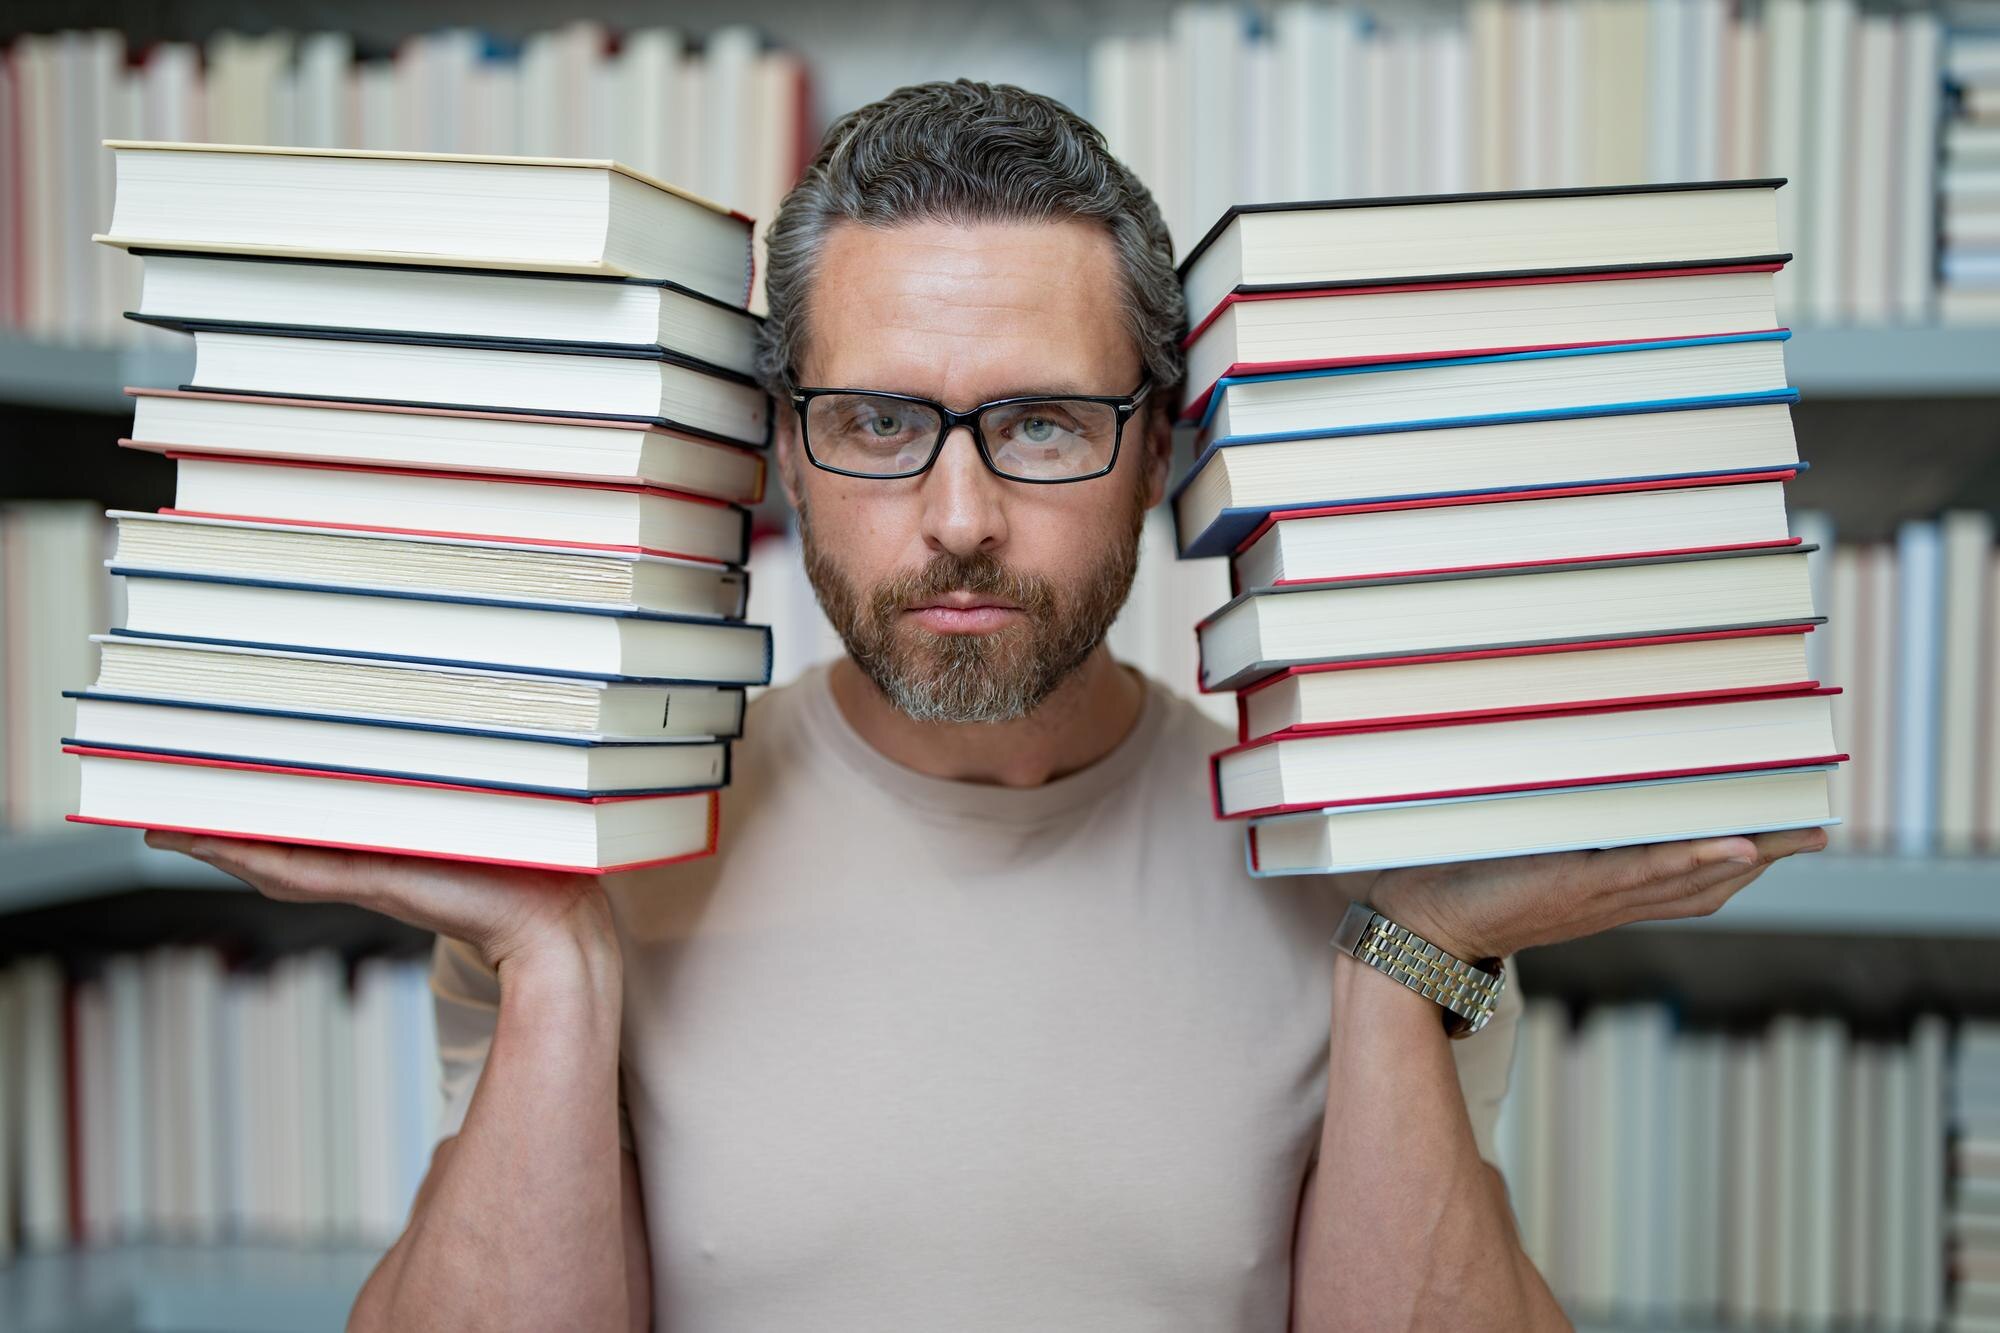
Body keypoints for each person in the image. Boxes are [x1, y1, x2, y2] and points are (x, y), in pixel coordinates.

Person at [146, 79, 1827, 1332]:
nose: (958, 515)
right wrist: (559, 962)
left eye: (1039, 421)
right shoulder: (596, 843)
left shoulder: (1371, 856)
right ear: (782, 451)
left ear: (1161, 449)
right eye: (879, 420)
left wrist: (1396, 965)